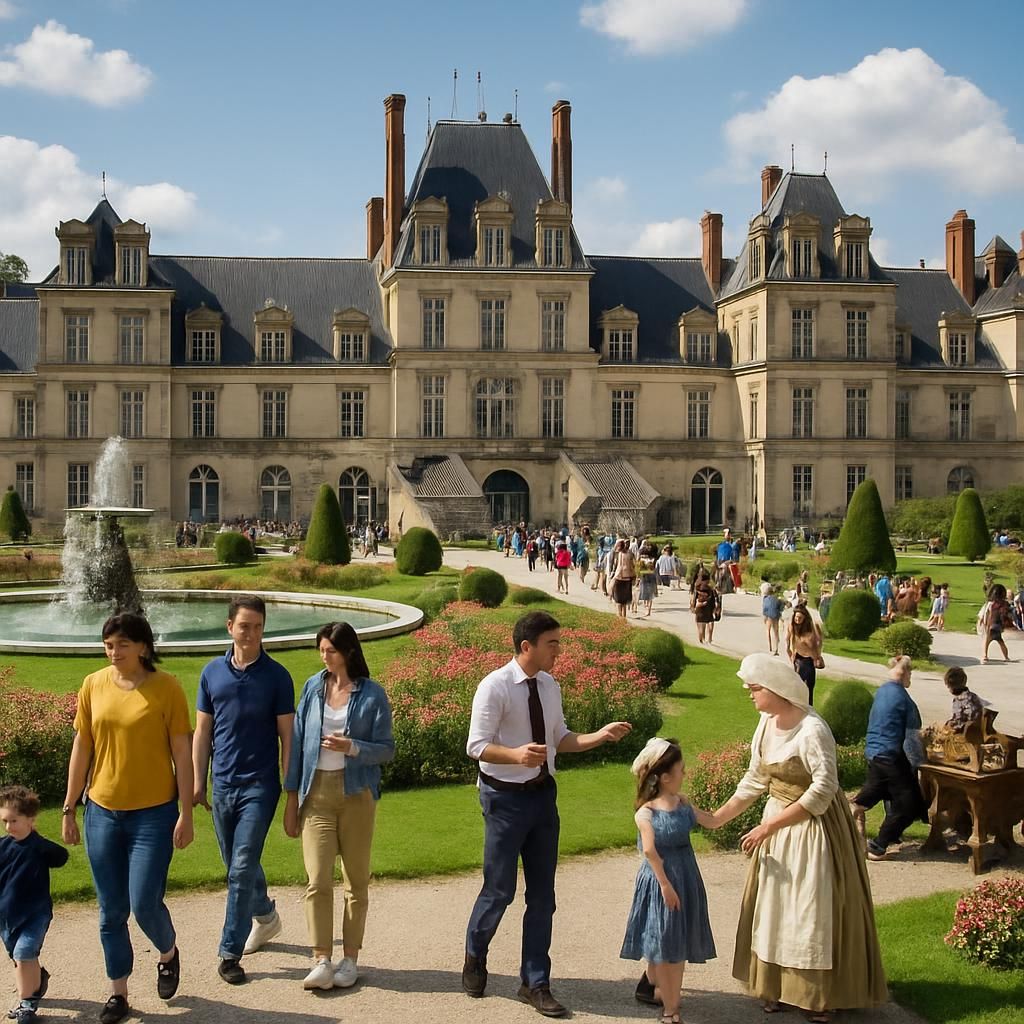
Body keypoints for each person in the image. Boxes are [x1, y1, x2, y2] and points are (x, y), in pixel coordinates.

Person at [462, 611, 632, 1016]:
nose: (559, 649)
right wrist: (517, 755)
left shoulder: (550, 686)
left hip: (542, 799)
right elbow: (477, 746)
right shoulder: (495, 687)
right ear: (527, 646)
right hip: (503, 800)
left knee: (543, 897)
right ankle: (475, 953)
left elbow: (561, 739)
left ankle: (535, 982)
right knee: (499, 890)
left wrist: (599, 737)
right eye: (552, 643)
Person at [702, 654, 887, 1022]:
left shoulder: (813, 730)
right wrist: (715, 819)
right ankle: (777, 987)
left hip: (813, 830)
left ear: (776, 690)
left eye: (754, 688)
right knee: (775, 908)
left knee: (810, 910)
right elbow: (755, 779)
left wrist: (770, 826)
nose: (748, 693)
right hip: (778, 825)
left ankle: (818, 996)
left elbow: (824, 790)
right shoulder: (766, 723)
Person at [62, 613, 193, 1024]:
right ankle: (118, 992)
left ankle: (168, 953)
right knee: (110, 910)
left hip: (153, 817)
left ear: (142, 647)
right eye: (108, 645)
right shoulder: (93, 685)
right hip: (101, 811)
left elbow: (182, 755)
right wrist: (69, 807)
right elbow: (82, 746)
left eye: (120, 644)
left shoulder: (166, 688)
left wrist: (186, 812)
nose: (113, 652)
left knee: (143, 904)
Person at [284, 621, 394, 991]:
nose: (324, 656)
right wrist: (291, 798)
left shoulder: (372, 694)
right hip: (316, 795)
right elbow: (297, 746)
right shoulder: (312, 688)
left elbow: (387, 750)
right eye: (321, 650)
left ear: (347, 651)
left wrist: (354, 748)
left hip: (357, 795)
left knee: (356, 881)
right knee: (317, 880)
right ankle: (321, 959)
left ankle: (350, 959)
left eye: (330, 650)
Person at [191, 595, 295, 985]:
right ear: (229, 626)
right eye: (244, 625)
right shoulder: (211, 673)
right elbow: (203, 732)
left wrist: (291, 789)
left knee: (240, 867)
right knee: (236, 863)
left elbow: (288, 735)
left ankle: (229, 953)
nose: (251, 633)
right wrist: (199, 781)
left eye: (257, 626)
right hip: (223, 784)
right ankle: (265, 916)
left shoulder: (277, 676)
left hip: (260, 786)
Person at [621, 739, 716, 1024]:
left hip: (685, 875)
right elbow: (649, 850)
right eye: (681, 770)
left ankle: (659, 990)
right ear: (664, 777)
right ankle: (670, 1009)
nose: (685, 774)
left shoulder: (682, 804)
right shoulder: (646, 812)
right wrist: (664, 884)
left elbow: (712, 820)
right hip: (662, 878)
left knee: (673, 937)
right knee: (663, 937)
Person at [0, 785, 68, 1024]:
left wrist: (38, 841)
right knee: (18, 957)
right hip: (7, 916)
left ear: (31, 819)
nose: (9, 827)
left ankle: (26, 1004)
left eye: (15, 821)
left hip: (35, 913)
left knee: (24, 952)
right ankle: (37, 978)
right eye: (5, 821)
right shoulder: (2, 847)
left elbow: (61, 857)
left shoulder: (38, 847)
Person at [849, 656, 925, 861]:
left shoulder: (881, 691)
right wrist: (920, 763)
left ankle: (853, 810)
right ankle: (878, 845)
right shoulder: (904, 700)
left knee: (878, 790)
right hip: (890, 754)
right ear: (906, 674)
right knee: (909, 804)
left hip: (874, 752)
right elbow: (912, 739)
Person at [786, 605, 824, 705]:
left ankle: (808, 705)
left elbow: (819, 641)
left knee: (810, 685)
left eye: (800, 618)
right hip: (799, 658)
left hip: (810, 659)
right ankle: (796, 704)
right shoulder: (792, 626)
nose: (797, 619)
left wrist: (818, 655)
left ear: (805, 618)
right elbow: (788, 639)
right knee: (799, 683)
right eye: (796, 617)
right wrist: (789, 651)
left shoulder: (812, 627)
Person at [942, 666, 985, 731]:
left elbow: (972, 720)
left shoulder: (966, 699)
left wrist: (955, 726)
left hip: (968, 731)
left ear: (952, 687)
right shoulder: (967, 697)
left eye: (948, 687)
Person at [981, 583, 1013, 663]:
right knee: (1001, 642)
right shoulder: (1004, 604)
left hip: (991, 625)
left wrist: (985, 623)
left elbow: (987, 615)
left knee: (987, 641)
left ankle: (985, 655)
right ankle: (1006, 657)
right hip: (998, 626)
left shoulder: (991, 604)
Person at [608, 540, 636, 620]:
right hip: (627, 578)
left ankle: (620, 616)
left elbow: (620, 567)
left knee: (618, 599)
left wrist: (613, 578)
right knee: (624, 600)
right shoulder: (630, 554)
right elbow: (632, 566)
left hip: (620, 578)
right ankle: (624, 616)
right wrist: (634, 575)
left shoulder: (620, 554)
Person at [690, 571, 718, 645]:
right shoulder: (701, 589)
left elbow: (713, 599)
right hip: (702, 609)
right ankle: (702, 640)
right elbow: (693, 600)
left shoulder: (707, 589)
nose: (707, 582)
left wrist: (715, 608)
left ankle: (704, 640)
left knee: (703, 626)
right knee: (702, 627)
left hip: (706, 609)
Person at [761, 584, 784, 656]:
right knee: (776, 632)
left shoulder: (765, 598)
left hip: (769, 616)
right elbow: (781, 609)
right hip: (776, 616)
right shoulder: (778, 599)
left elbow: (765, 608)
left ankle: (770, 647)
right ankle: (776, 649)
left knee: (768, 631)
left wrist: (765, 616)